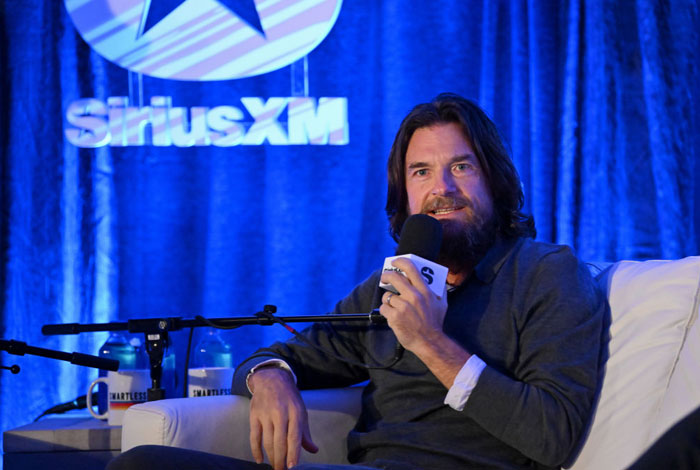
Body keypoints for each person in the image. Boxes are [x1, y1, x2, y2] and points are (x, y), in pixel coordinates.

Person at [108, 94, 607, 470]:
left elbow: (553, 433)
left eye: (461, 166)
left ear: (495, 182)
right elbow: (286, 355)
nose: (442, 189)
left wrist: (430, 341)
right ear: (404, 194)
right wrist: (271, 378)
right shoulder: (391, 285)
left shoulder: (546, 273)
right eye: (421, 172)